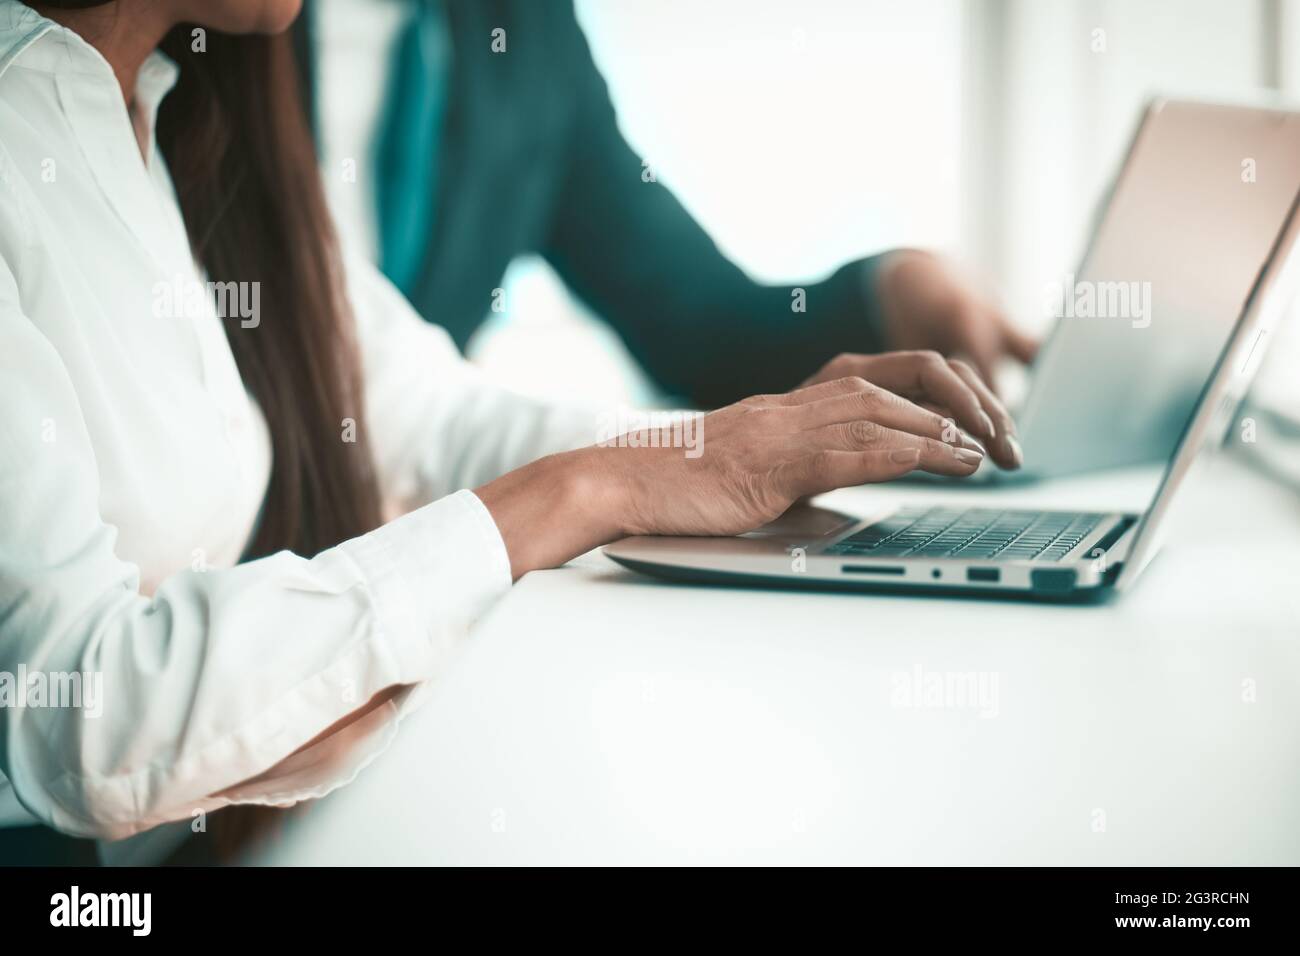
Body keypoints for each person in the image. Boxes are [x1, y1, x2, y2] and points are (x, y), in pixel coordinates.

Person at [0, 0, 1017, 862]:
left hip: (224, 810)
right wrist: (585, 492)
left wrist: (729, 449)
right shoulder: (128, 100)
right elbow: (73, 714)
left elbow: (432, 410)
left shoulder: (168, 107)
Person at [299, 0, 1038, 411]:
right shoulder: (230, 23)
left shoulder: (528, 33)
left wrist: (886, 294)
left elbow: (696, 321)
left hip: (400, 548)